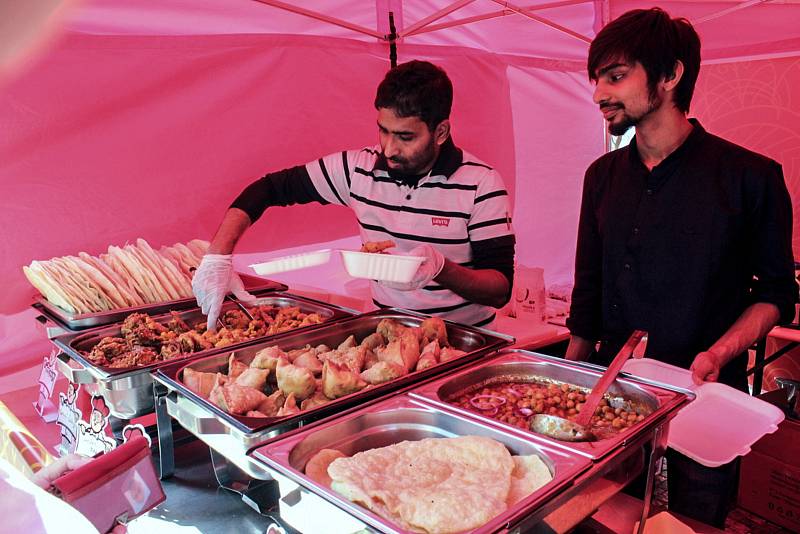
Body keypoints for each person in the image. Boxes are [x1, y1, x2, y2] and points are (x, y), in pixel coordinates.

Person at [565, 7, 798, 528]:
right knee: (606, 516)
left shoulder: (750, 177)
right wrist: (570, 380)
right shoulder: (601, 176)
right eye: (597, 79)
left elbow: (777, 294)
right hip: (612, 394)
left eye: (617, 76)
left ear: (670, 75)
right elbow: (589, 289)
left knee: (693, 522)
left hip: (705, 396)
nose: (600, 93)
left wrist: (719, 352)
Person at [192, 60, 515, 329]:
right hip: (388, 334)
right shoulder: (357, 170)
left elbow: (500, 289)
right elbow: (269, 189)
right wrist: (218, 257)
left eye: (405, 136)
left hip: (466, 343)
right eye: (383, 130)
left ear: (440, 132)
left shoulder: (481, 184)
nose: (389, 148)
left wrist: (441, 268)